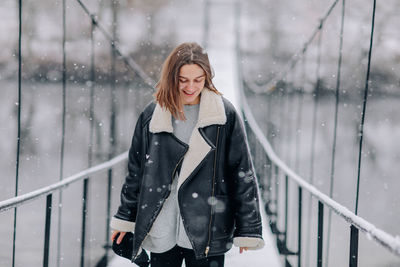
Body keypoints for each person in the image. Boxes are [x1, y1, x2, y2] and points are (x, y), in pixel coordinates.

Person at [110, 42, 264, 267]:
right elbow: (136, 172)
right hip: (162, 228)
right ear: (171, 78)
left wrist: (248, 228)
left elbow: (242, 173)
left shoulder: (224, 115)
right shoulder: (152, 115)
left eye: (198, 80)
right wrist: (126, 219)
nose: (190, 87)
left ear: (207, 78)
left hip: (208, 228)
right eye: (183, 80)